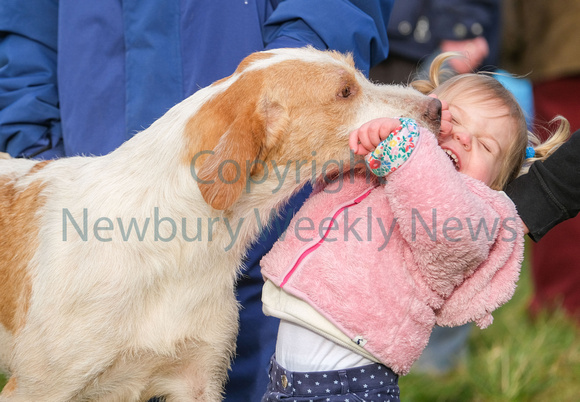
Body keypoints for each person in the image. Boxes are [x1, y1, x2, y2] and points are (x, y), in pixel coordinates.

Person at [0, 1, 395, 400]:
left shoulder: (281, 95)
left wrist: (293, 63)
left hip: (257, 223)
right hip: (85, 202)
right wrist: (30, 138)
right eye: (348, 92)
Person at [259, 53, 570, 401]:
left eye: (485, 145)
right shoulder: (384, 163)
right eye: (453, 120)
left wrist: (413, 147)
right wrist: (371, 136)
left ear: (497, 184)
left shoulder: (474, 214)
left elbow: (446, 225)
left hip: (348, 382)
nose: (465, 138)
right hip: (287, 375)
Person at [501, 0, 580, 322]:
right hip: (563, 45)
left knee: (562, 161)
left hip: (563, 46)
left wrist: (509, 45)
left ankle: (561, 302)